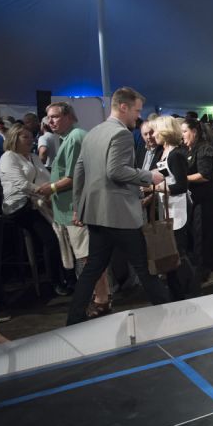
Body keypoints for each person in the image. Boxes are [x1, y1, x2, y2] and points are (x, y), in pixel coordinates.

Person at [67, 87, 170, 325]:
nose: (138, 116)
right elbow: (116, 171)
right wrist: (149, 176)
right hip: (119, 213)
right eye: (136, 110)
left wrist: (78, 207)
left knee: (93, 267)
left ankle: (74, 319)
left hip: (96, 213)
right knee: (145, 267)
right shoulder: (121, 134)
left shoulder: (93, 133)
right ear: (123, 107)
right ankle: (168, 315)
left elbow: (79, 172)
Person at [35, 102, 112, 318]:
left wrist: (50, 188)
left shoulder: (76, 136)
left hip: (76, 209)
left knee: (89, 258)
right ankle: (100, 298)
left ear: (69, 116)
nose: (50, 121)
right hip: (72, 209)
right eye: (48, 118)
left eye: (55, 116)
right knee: (87, 257)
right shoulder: (68, 138)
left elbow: (74, 177)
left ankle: (102, 300)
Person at [0, 125, 70, 296]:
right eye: (26, 137)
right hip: (19, 205)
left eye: (31, 137)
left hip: (36, 201)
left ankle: (69, 275)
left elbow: (46, 176)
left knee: (64, 228)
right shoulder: (9, 158)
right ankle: (55, 282)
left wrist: (54, 190)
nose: (31, 140)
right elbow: (21, 184)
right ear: (14, 139)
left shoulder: (32, 157)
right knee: (51, 238)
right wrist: (44, 193)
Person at [150, 116, 197, 300]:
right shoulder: (162, 153)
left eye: (155, 131)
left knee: (179, 253)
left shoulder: (176, 154)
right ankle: (175, 290)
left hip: (178, 209)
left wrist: (159, 187)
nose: (153, 135)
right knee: (170, 252)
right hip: (166, 207)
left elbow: (181, 185)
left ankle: (189, 288)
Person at [182, 117, 213, 281]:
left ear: (194, 132)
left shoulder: (205, 149)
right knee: (196, 233)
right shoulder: (188, 150)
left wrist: (183, 178)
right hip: (195, 199)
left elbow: (205, 175)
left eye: (184, 131)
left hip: (205, 200)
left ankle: (203, 268)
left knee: (203, 233)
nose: (182, 135)